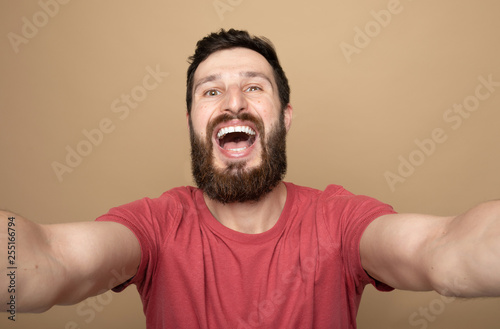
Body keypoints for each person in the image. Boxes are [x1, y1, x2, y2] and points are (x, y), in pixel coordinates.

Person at [1, 28, 499, 329]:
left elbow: (444, 249)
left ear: (284, 116)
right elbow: (51, 262)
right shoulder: (154, 225)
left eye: (253, 87)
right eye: (210, 91)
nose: (233, 102)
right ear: (192, 121)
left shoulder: (339, 220)